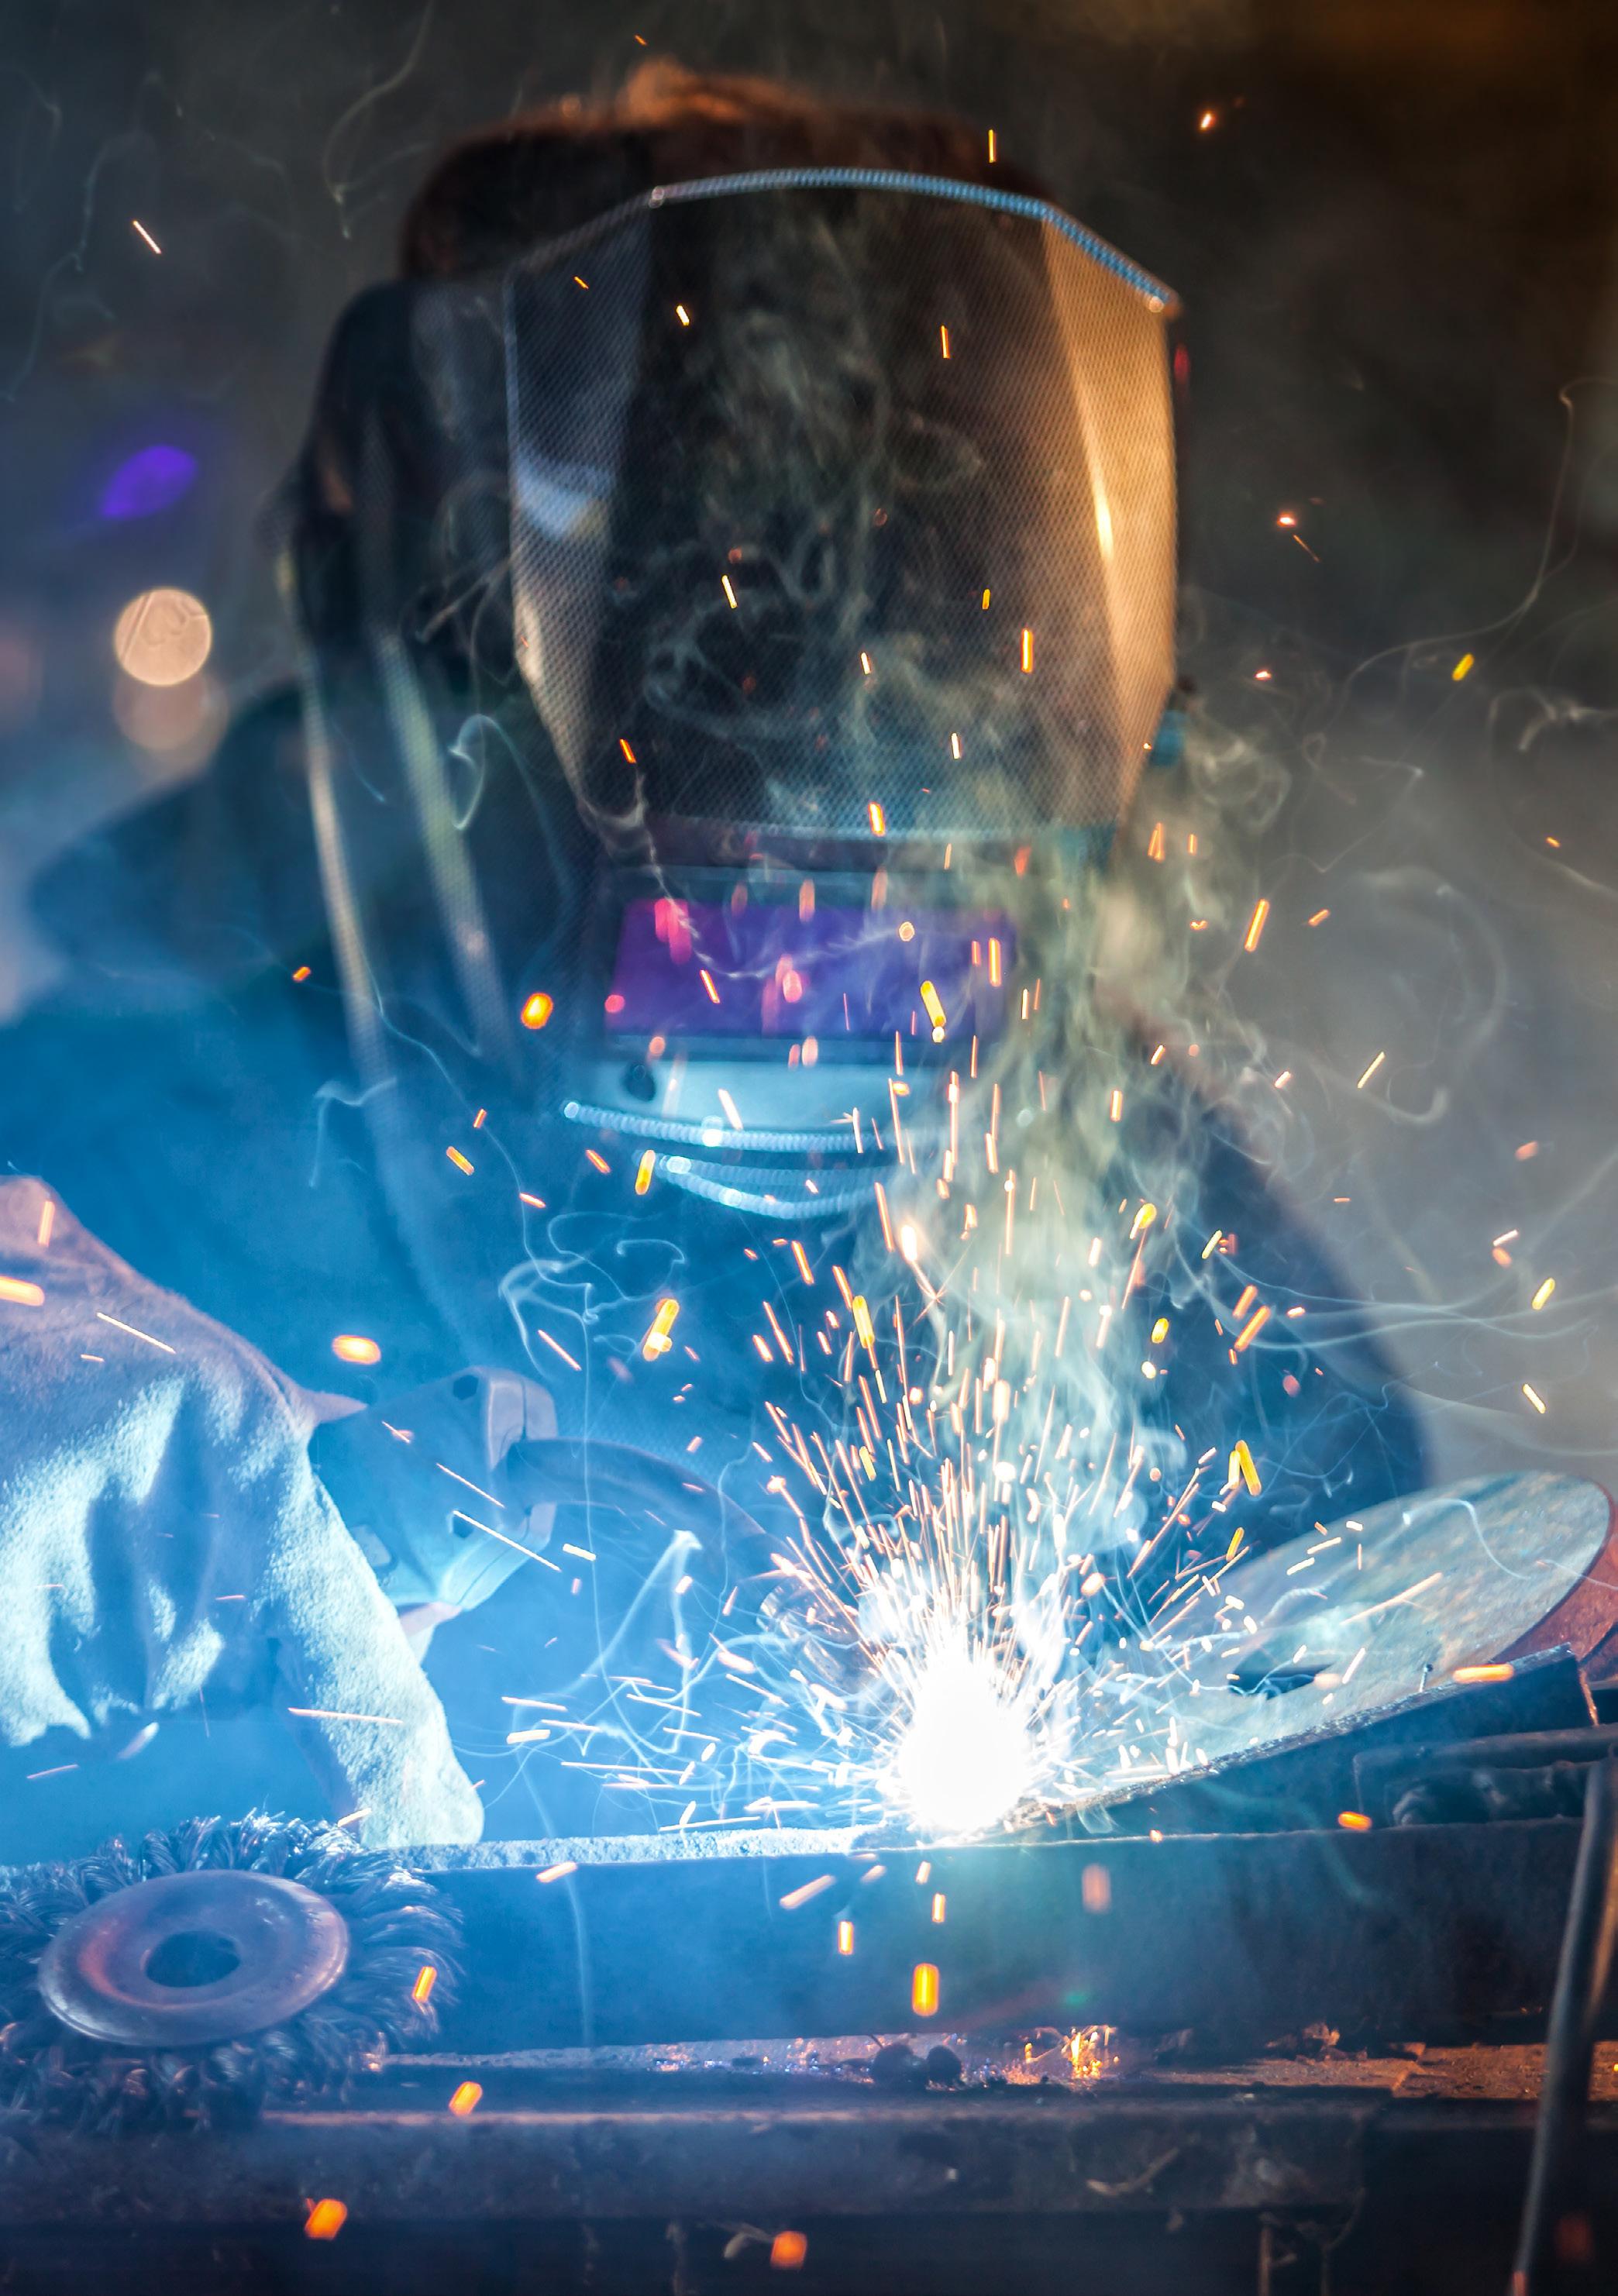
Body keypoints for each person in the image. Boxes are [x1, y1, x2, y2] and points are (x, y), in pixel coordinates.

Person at [0, 63, 1423, 1861]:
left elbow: (1380, 1714)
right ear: (459, 630)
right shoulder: (96, 1201)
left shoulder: (1104, 1173)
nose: (816, 968)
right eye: (743, 593)